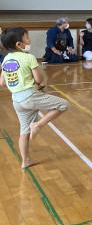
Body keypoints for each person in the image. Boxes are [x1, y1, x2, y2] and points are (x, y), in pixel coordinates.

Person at [0, 26, 70, 168]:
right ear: (19, 44)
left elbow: (2, 83)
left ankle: (25, 161)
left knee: (24, 131)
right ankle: (38, 125)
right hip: (30, 96)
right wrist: (40, 78)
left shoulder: (6, 59)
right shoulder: (29, 57)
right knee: (64, 105)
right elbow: (38, 79)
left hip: (16, 100)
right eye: (27, 38)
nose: (29, 40)